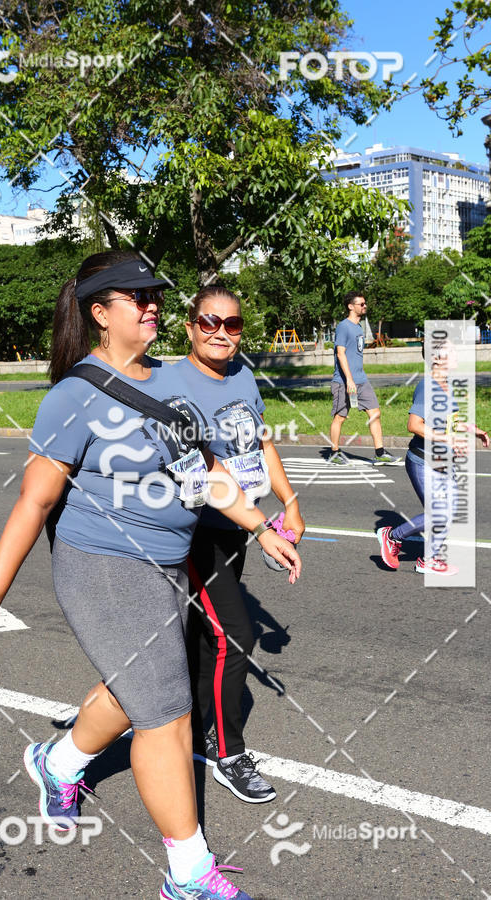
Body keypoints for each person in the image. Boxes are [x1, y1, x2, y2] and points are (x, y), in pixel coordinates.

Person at [0, 250, 301, 900]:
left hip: (165, 564)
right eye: (134, 296)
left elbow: (206, 473)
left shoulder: (169, 383)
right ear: (99, 312)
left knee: (131, 691)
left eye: (154, 295)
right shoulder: (73, 397)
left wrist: (261, 526)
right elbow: (36, 500)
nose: (151, 305)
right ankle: (188, 874)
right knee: (165, 713)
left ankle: (57, 763)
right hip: (104, 568)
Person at [175, 286, 305, 804]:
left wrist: (288, 500)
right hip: (196, 530)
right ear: (189, 327)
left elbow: (262, 440)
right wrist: (262, 527)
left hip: (238, 528)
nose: (221, 332)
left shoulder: (243, 375)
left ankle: (183, 721)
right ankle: (226, 751)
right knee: (235, 633)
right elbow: (204, 471)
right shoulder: (170, 382)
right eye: (209, 322)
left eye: (232, 324)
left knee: (207, 635)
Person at [377, 340, 488, 576]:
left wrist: (473, 430)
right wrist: (448, 440)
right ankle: (392, 536)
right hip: (423, 461)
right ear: (437, 359)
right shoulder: (428, 386)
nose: (457, 355)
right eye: (452, 352)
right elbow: (414, 425)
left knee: (450, 511)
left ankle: (429, 559)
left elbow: (451, 421)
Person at [329, 291, 401, 466]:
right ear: (350, 306)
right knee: (340, 417)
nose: (365, 306)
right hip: (343, 381)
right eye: (361, 304)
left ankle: (380, 452)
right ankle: (334, 453)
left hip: (361, 379)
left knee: (375, 413)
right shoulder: (343, 326)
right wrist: (349, 380)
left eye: (365, 303)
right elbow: (340, 354)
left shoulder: (359, 327)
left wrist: (356, 378)